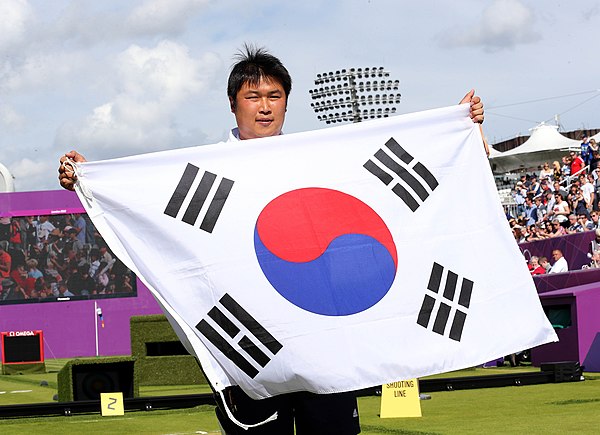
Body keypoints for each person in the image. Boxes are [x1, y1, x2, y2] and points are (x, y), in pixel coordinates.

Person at [57, 45, 485, 435]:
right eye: (253, 97)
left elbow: (389, 192)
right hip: (249, 353)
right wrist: (91, 180)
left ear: (286, 102)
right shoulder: (204, 173)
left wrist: (459, 130)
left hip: (322, 345)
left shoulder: (319, 159)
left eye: (274, 96)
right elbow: (146, 208)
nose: (265, 108)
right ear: (233, 104)